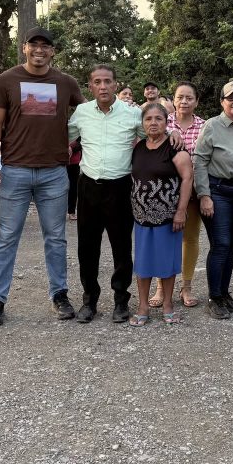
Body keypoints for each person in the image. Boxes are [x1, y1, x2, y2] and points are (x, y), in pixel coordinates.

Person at [0, 27, 85, 326]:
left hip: (54, 172)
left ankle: (59, 294)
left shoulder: (66, 82)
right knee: (7, 238)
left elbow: (88, 115)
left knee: (56, 238)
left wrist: (74, 142)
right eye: (34, 44)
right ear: (24, 48)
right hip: (15, 169)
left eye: (45, 46)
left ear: (53, 51)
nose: (39, 50)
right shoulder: (7, 80)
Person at [67, 64, 143, 324]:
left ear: (115, 84)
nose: (103, 86)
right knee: (87, 248)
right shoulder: (82, 112)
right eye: (97, 82)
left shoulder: (133, 114)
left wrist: (173, 134)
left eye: (107, 81)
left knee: (121, 247)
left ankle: (121, 300)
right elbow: (65, 136)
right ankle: (89, 301)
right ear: (90, 86)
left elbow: (153, 137)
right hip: (88, 186)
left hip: (120, 188)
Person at [194, 81, 233, 319]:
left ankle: (224, 292)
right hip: (218, 190)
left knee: (232, 243)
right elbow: (199, 161)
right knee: (220, 243)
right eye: (231, 98)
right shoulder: (212, 126)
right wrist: (204, 195)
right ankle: (214, 297)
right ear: (222, 101)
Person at [128, 102, 194, 326]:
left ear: (167, 122)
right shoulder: (138, 147)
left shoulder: (175, 147)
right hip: (142, 217)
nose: (153, 123)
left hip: (168, 218)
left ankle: (168, 305)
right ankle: (143, 306)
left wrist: (181, 212)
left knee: (167, 263)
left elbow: (187, 178)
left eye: (158, 118)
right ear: (142, 123)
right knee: (143, 264)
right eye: (148, 119)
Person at [156, 81, 206, 308]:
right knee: (164, 239)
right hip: (164, 191)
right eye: (180, 97)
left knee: (190, 238)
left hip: (193, 190)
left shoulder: (204, 126)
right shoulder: (162, 122)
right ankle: (160, 286)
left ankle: (186, 286)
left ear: (196, 102)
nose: (184, 101)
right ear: (173, 100)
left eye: (189, 98)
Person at [67, 139, 81, 221]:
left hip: (74, 162)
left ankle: (71, 212)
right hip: (59, 161)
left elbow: (81, 141)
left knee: (73, 187)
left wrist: (71, 147)